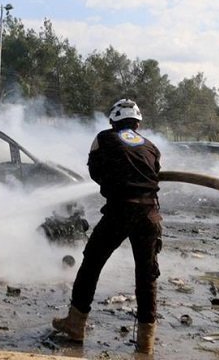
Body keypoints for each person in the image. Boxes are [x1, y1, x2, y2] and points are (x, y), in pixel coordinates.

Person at [52, 99, 162, 355]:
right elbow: (154, 174)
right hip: (150, 214)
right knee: (147, 276)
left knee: (92, 263)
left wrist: (115, 180)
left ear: (113, 121)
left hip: (120, 210)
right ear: (137, 123)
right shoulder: (152, 147)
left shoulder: (104, 138)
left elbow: (95, 172)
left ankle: (75, 324)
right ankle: (146, 342)